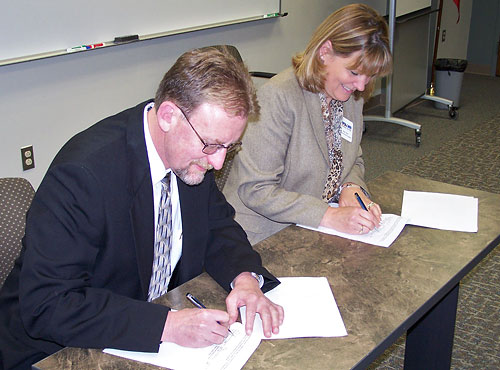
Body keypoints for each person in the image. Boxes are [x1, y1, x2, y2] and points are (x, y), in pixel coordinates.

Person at [0, 46, 284, 370]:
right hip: (55, 352)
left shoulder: (189, 155)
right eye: (212, 145)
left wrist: (244, 279)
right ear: (167, 116)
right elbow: (48, 305)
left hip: (139, 334)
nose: (218, 162)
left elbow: (217, 226)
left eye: (229, 146)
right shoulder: (82, 176)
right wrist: (168, 325)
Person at [223, 4, 393, 245]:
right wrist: (329, 215)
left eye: (370, 76)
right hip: (264, 236)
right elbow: (256, 189)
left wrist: (351, 186)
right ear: (325, 52)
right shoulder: (279, 97)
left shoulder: (351, 95)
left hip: (314, 229)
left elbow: (354, 157)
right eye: (354, 72)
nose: (362, 86)